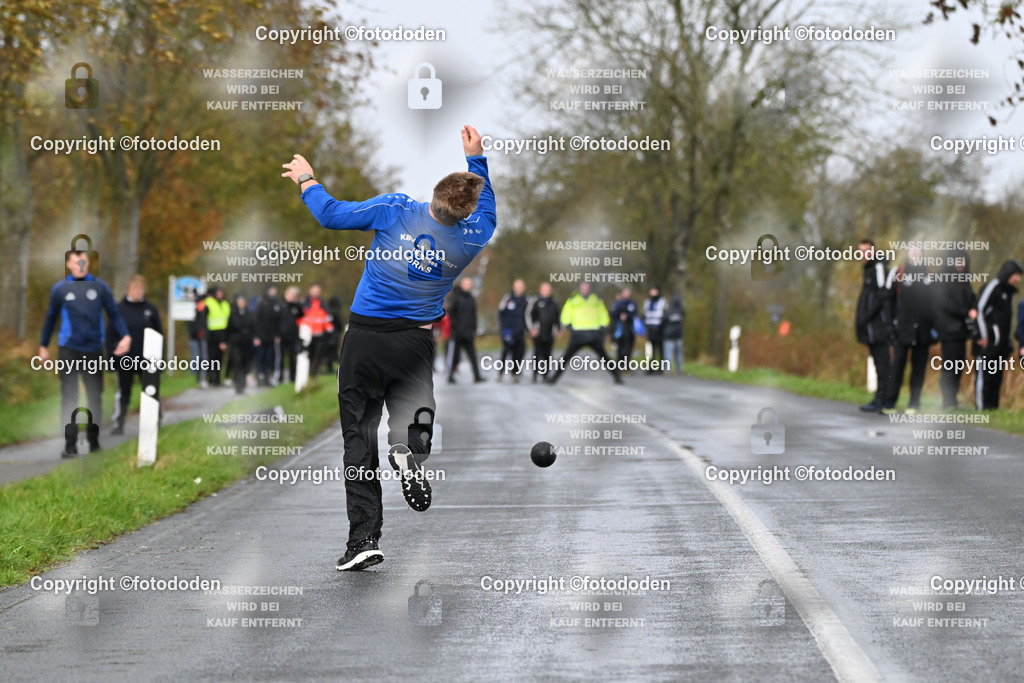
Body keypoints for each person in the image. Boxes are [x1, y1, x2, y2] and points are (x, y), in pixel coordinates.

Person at [281, 124, 495, 571]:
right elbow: (488, 209)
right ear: (464, 212)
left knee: (358, 435)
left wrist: (307, 180)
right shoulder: (470, 238)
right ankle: (409, 450)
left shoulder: (396, 210)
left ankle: (363, 538)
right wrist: (478, 160)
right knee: (416, 417)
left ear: (433, 195)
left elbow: (331, 214)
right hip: (413, 342)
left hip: (364, 339)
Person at [40, 250, 131, 457]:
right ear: (68, 264)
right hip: (69, 350)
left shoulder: (100, 287)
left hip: (93, 350)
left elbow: (114, 314)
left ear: (88, 263)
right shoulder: (60, 289)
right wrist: (43, 345)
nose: (80, 266)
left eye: (83, 261)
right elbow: (51, 317)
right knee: (69, 396)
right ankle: (70, 444)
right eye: (76, 262)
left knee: (94, 396)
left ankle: (94, 441)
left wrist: (125, 336)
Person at [109, 274, 164, 435]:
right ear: (128, 290)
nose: (138, 292)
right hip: (125, 359)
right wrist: (111, 359)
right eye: (135, 288)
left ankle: (156, 419)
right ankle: (119, 423)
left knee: (151, 390)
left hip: (147, 358)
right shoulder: (119, 310)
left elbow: (159, 334)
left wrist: (159, 359)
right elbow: (110, 335)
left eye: (140, 289)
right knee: (123, 392)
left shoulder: (150, 310)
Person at [887, 247, 937, 413]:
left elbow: (936, 303)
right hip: (902, 328)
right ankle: (890, 402)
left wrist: (935, 328)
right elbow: (889, 300)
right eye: (912, 251)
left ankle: (914, 403)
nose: (915, 254)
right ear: (908, 254)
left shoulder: (929, 274)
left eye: (917, 251)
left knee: (919, 369)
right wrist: (891, 325)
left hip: (923, 330)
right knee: (897, 367)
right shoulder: (899, 272)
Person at [546, 282, 622, 385]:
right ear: (580, 289)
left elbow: (604, 315)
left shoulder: (596, 300)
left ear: (589, 289)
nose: (585, 290)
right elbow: (565, 315)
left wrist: (602, 328)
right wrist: (569, 326)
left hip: (593, 335)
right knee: (565, 358)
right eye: (583, 288)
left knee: (605, 358)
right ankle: (554, 378)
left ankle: (617, 377)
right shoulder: (573, 301)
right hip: (578, 335)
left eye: (587, 288)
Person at [974, 259, 1023, 410]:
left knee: (996, 378)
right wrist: (983, 336)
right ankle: (982, 408)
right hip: (987, 344)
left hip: (1000, 346)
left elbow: (1006, 322)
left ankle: (992, 408)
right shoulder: (993, 287)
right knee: (985, 377)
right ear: (1009, 273)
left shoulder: (1009, 293)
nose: (1018, 279)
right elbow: (979, 311)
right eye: (1016, 275)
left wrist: (1008, 341)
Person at [934, 250, 977, 411]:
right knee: (950, 365)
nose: (961, 264)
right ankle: (947, 400)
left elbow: (971, 298)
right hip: (948, 330)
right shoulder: (943, 278)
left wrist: (973, 308)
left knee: (959, 365)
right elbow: (943, 303)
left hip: (961, 331)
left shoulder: (964, 279)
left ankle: (953, 399)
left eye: (963, 261)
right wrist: (966, 312)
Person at [855, 239, 894, 413]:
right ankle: (879, 398)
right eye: (861, 251)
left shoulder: (878, 268)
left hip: (880, 327)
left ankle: (884, 400)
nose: (864, 255)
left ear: (874, 250)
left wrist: (870, 315)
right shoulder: (868, 270)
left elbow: (884, 294)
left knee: (883, 364)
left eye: (866, 251)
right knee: (878, 364)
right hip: (871, 328)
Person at [446, 277, 485, 384]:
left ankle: (477, 376)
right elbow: (450, 313)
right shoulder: (455, 297)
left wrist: (474, 328)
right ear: (462, 284)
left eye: (469, 284)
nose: (468, 286)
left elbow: (473, 315)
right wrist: (456, 326)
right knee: (454, 356)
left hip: (468, 333)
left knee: (473, 356)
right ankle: (450, 376)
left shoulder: (471, 298)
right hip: (457, 333)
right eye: (466, 284)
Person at [526, 282, 560, 383]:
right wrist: (531, 329)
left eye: (548, 290)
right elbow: (528, 315)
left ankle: (545, 375)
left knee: (548, 355)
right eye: (544, 289)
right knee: (537, 354)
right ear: (540, 290)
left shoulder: (554, 302)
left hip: (549, 332)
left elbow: (557, 317)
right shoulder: (535, 301)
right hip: (538, 332)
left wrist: (558, 328)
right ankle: (535, 374)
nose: (546, 292)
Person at [197, 286, 230, 386]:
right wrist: (204, 333)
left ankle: (217, 379)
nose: (220, 295)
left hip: (222, 335)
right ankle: (210, 378)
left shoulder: (225, 304)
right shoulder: (208, 302)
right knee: (211, 358)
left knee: (220, 359)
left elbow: (228, 320)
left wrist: (226, 339)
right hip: (211, 335)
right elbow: (201, 318)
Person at [497, 279, 528, 383]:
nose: (519, 289)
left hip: (520, 331)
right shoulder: (507, 299)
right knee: (505, 352)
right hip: (508, 331)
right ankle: (500, 373)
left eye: (521, 287)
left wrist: (527, 329)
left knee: (519, 353)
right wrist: (504, 329)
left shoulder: (527, 300)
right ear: (514, 287)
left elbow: (529, 315)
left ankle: (514, 373)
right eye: (517, 287)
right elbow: (501, 313)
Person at [300, 284, 334, 376]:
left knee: (318, 354)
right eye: (314, 291)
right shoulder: (304, 303)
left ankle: (313, 372)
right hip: (307, 334)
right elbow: (299, 317)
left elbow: (326, 318)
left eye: (317, 291)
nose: (316, 293)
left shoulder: (322, 304)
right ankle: (306, 372)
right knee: (307, 354)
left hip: (319, 334)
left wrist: (330, 330)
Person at [226, 293, 257, 394]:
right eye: (239, 302)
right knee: (237, 363)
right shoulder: (233, 314)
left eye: (243, 302)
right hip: (236, 343)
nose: (241, 304)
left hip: (246, 343)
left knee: (245, 364)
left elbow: (253, 327)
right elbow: (229, 329)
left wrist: (254, 337)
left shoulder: (249, 314)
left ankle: (243, 384)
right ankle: (238, 384)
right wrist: (229, 340)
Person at [254, 285, 282, 386]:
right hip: (261, 336)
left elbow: (278, 321)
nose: (274, 292)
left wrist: (277, 334)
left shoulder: (276, 303)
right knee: (260, 356)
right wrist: (256, 336)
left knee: (269, 358)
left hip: (271, 336)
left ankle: (267, 377)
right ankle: (259, 376)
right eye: (272, 290)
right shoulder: (261, 303)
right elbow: (256, 320)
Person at [278, 286, 302, 383]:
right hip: (282, 336)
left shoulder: (296, 307)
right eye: (290, 295)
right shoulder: (281, 306)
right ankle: (280, 377)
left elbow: (302, 315)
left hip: (293, 335)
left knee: (293, 356)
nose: (292, 297)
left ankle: (293, 376)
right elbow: (276, 321)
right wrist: (277, 334)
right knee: (281, 357)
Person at [610, 288, 639, 367]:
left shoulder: (632, 303)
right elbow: (613, 314)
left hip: (629, 330)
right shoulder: (618, 303)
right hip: (619, 330)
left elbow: (635, 314)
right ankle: (620, 364)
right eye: (625, 293)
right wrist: (620, 316)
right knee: (619, 348)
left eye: (628, 293)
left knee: (628, 349)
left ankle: (627, 365)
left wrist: (627, 316)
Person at [643, 286, 667, 374]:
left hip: (659, 329)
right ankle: (651, 368)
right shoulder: (647, 302)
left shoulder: (662, 302)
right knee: (650, 350)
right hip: (650, 329)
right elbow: (645, 315)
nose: (652, 293)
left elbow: (665, 315)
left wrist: (663, 327)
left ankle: (661, 368)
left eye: (654, 291)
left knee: (660, 349)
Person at [663, 295, 685, 374]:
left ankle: (668, 369)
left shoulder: (668, 311)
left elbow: (664, 321)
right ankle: (679, 369)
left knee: (668, 353)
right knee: (679, 354)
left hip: (669, 335)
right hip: (678, 334)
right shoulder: (681, 311)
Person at [324, 296, 345, 375]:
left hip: (327, 334)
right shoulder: (336, 312)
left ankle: (329, 366)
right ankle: (330, 367)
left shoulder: (327, 311)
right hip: (334, 334)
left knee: (329, 351)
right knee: (333, 351)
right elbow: (339, 324)